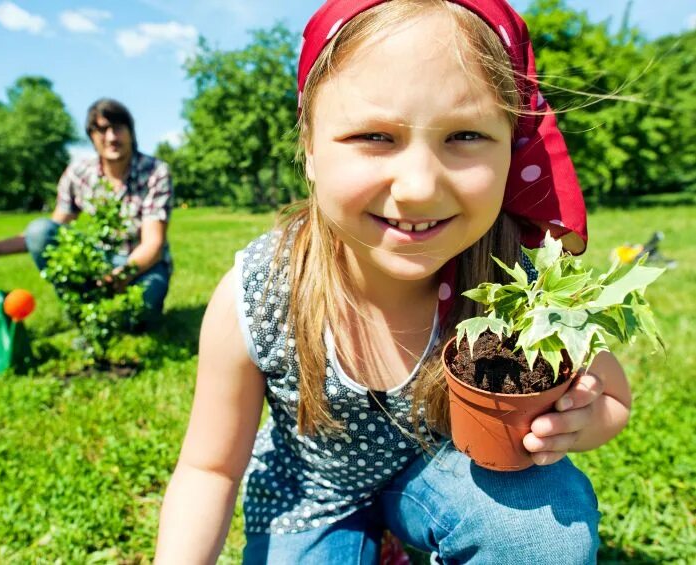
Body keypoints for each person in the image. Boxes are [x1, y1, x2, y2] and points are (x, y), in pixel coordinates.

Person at [156, 0, 631, 562]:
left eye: (466, 136)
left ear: (514, 145)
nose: (418, 187)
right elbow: (209, 469)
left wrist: (584, 419)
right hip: (311, 494)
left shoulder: (519, 286)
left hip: (446, 471)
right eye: (375, 136)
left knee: (541, 532)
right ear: (308, 146)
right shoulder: (261, 291)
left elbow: (613, 396)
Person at [0, 98, 173, 319]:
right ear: (91, 136)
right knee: (39, 229)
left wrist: (118, 278)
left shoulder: (154, 172)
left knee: (140, 314)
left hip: (143, 266)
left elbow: (153, 243)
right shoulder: (79, 173)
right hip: (98, 261)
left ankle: (119, 316)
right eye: (102, 129)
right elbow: (44, 235)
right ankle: (82, 313)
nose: (111, 137)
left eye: (118, 128)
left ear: (130, 131)